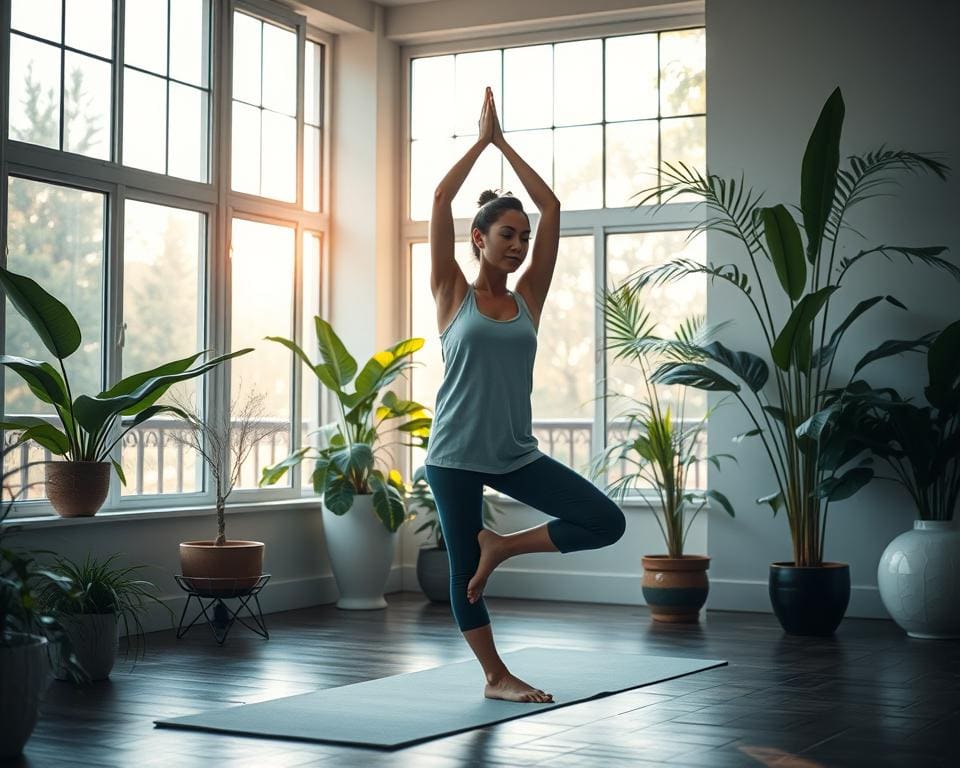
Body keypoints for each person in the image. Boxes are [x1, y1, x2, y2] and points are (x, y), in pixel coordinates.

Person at [423, 88, 626, 704]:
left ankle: (503, 546)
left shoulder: (527, 299)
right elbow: (438, 198)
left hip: (514, 452)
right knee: (464, 574)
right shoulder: (450, 292)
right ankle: (495, 677)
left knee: (605, 520)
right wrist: (480, 144)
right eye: (508, 235)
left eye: (525, 239)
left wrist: (507, 143)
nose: (519, 245)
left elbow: (553, 205)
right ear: (479, 239)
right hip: (454, 453)